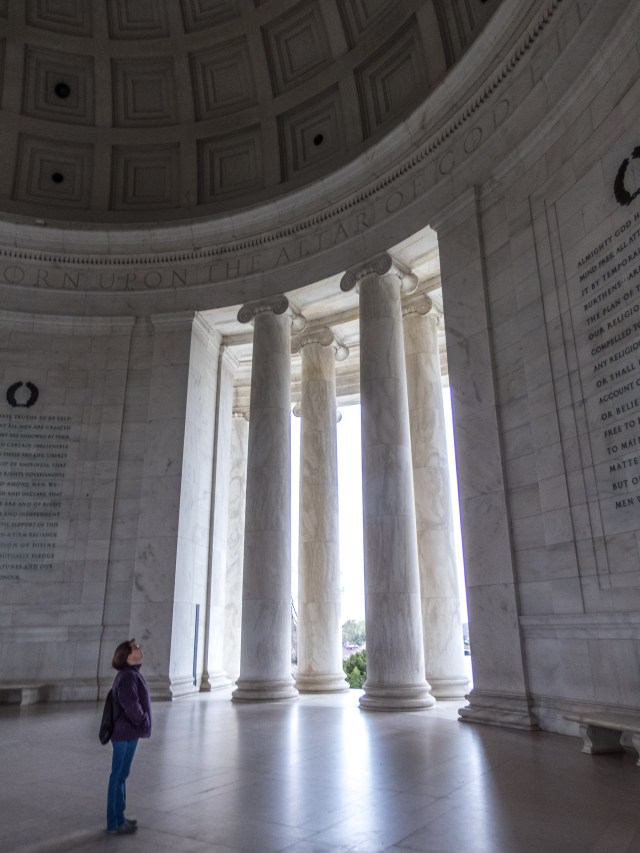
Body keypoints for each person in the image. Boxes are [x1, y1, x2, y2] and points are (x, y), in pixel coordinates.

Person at [106, 639, 152, 835]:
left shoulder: (131, 674)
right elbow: (131, 704)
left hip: (128, 732)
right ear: (127, 656)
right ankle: (114, 822)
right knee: (118, 776)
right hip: (125, 733)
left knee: (121, 775)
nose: (139, 649)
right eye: (135, 648)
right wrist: (143, 721)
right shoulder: (127, 677)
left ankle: (119, 817)